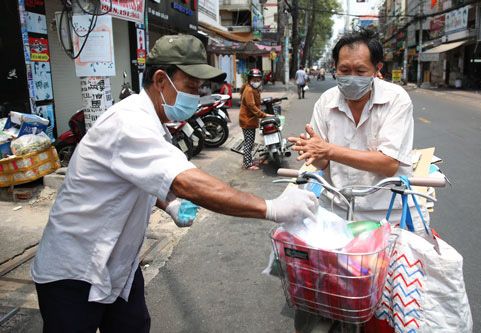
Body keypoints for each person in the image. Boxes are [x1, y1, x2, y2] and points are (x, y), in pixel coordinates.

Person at [31, 35, 318, 333]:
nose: (195, 96)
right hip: (75, 269)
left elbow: (139, 177)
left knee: (134, 325)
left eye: (199, 89)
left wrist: (168, 203)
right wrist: (271, 207)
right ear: (160, 80)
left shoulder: (151, 122)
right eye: (190, 87)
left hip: (118, 263)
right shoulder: (130, 124)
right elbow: (187, 182)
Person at [288, 29, 428, 333]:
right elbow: (322, 160)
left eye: (360, 71)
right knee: (316, 293)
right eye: (344, 70)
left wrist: (328, 149)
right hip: (339, 211)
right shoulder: (326, 102)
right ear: (334, 68)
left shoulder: (396, 100)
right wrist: (312, 151)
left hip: (385, 217)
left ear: (377, 70)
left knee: (387, 302)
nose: (351, 77)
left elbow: (389, 163)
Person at [239, 68, 268, 170]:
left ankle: (248, 160)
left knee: (249, 141)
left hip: (249, 120)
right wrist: (264, 115)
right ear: (249, 79)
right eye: (254, 79)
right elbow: (252, 106)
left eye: (258, 79)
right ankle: (247, 164)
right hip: (247, 120)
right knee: (249, 143)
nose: (256, 81)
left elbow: (256, 103)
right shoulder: (249, 90)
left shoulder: (252, 89)